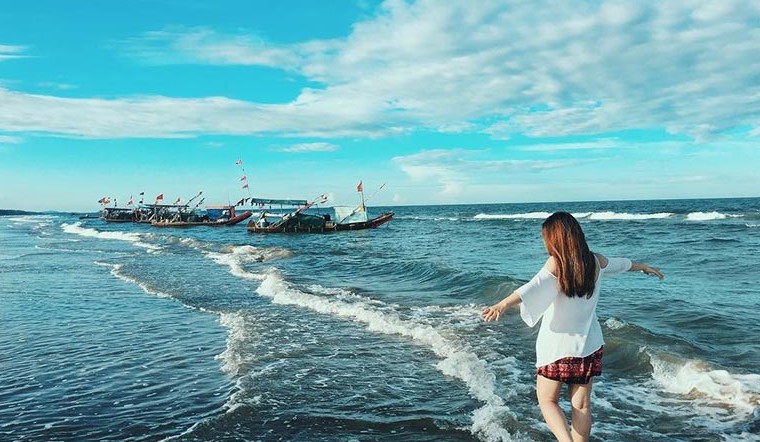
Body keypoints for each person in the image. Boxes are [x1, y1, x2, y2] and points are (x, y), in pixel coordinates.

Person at [481, 212, 663, 442]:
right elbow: (622, 265)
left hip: (557, 348)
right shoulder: (595, 261)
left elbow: (531, 288)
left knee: (547, 401)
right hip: (589, 346)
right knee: (582, 405)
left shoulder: (556, 262)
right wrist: (644, 266)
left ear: (555, 238)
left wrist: (501, 304)